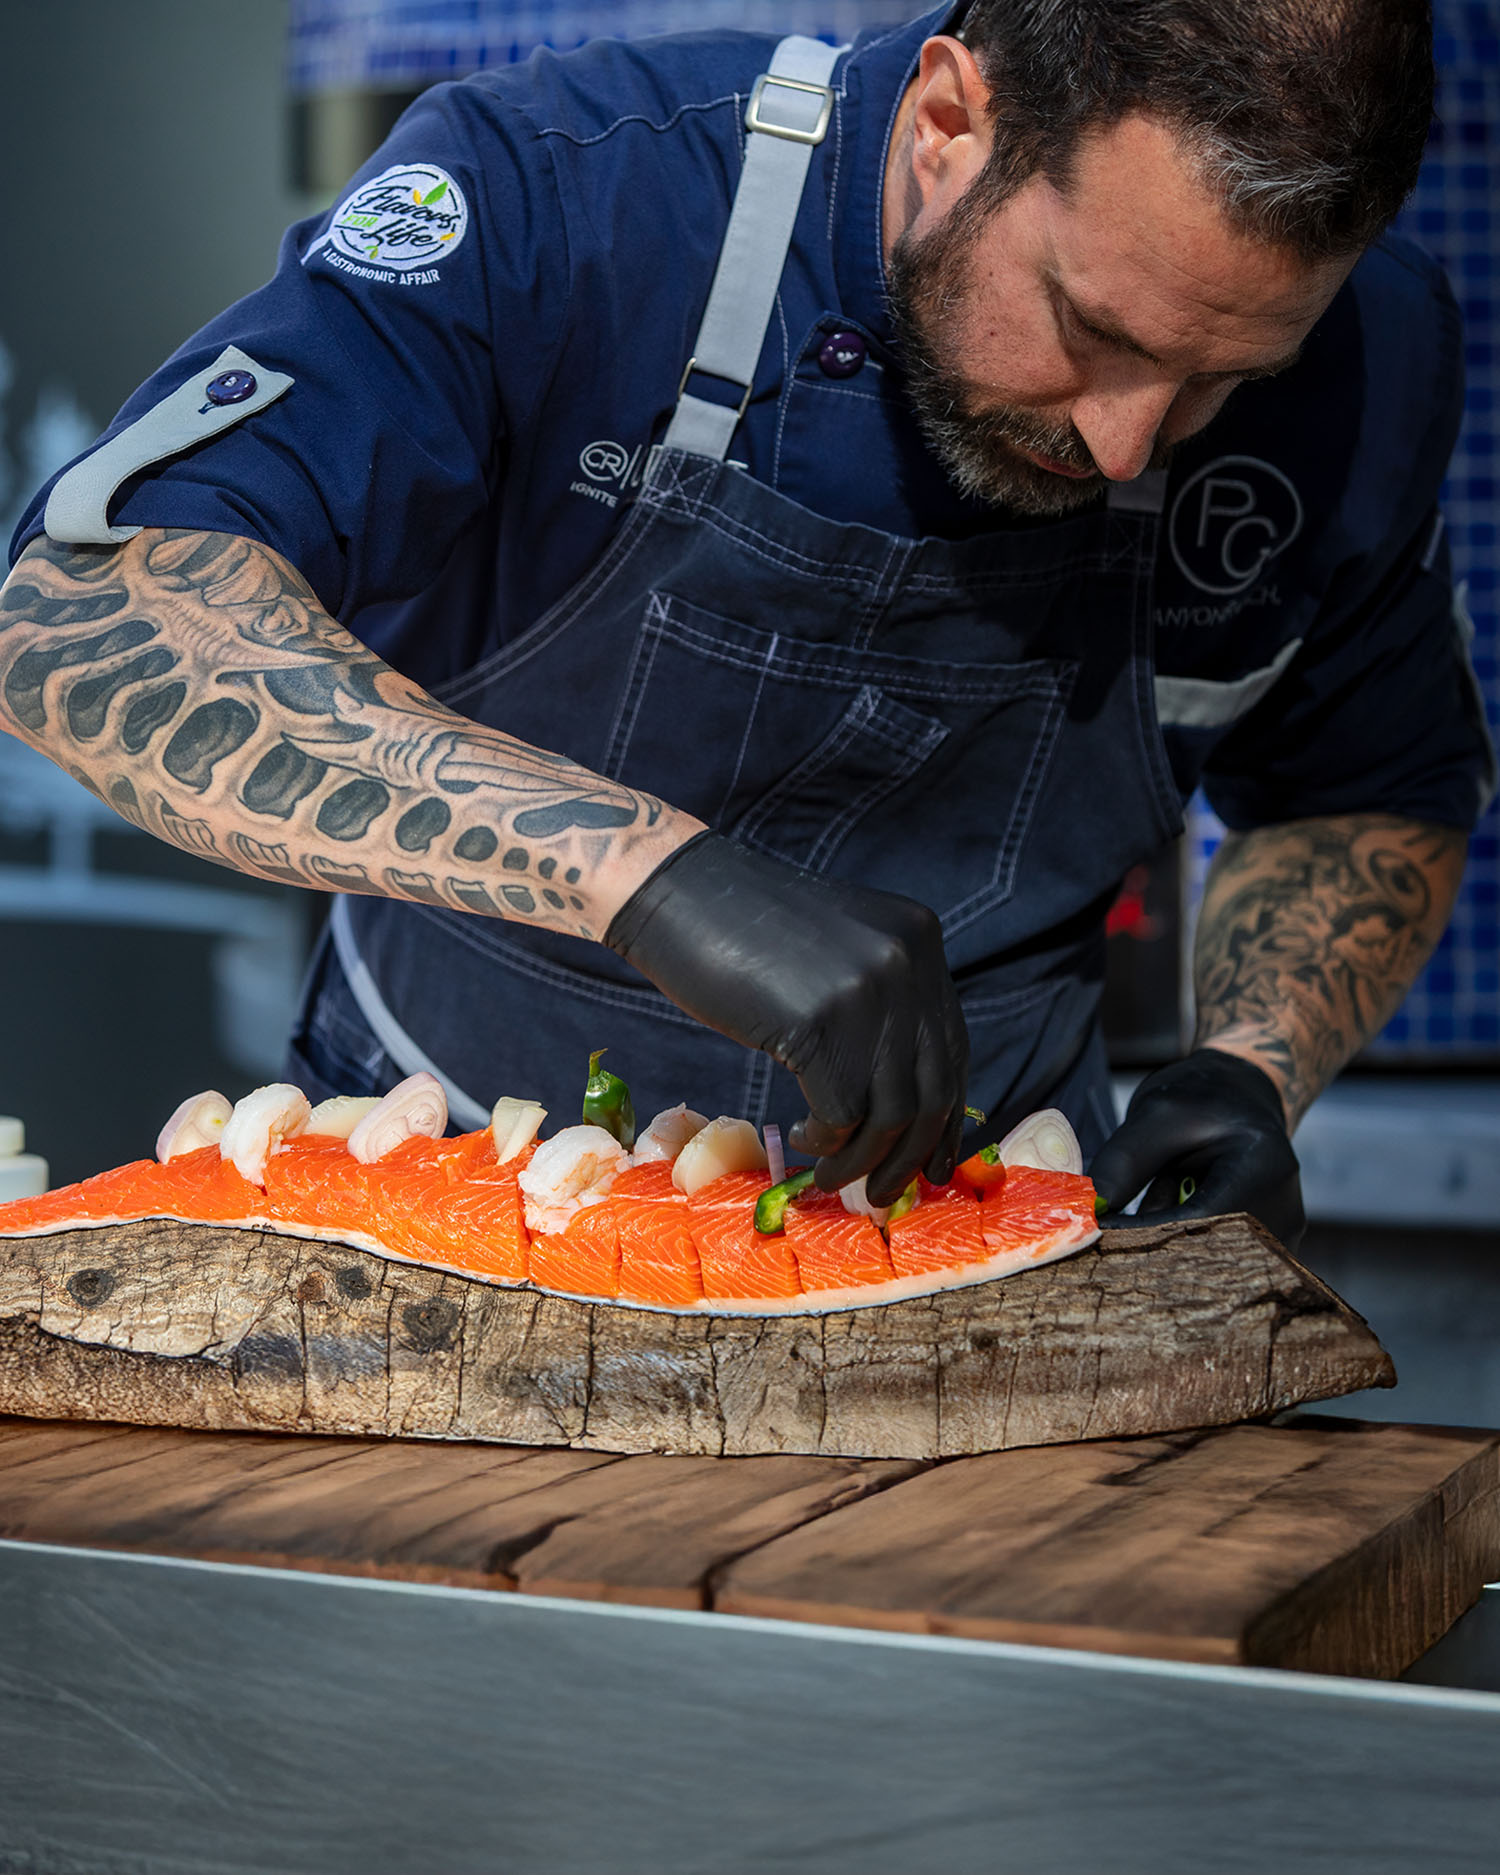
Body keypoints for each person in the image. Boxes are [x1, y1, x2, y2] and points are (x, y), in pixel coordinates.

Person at [1, 1, 1491, 1247]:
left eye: (1223, 382)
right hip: (448, 1165)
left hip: (976, 1227)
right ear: (948, 122)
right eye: (1092, 330)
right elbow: (75, 606)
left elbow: (1365, 786)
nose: (1126, 445)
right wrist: (653, 875)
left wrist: (1251, 1066)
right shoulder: (567, 195)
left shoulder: (1376, 360)